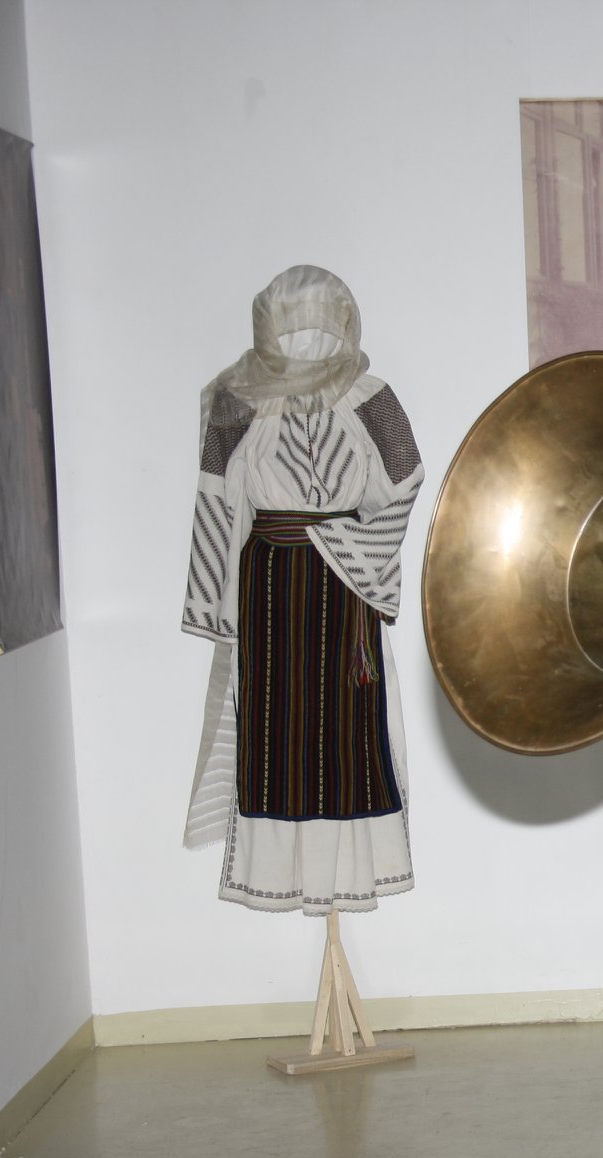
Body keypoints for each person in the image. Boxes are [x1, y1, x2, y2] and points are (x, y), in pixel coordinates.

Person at [181, 266, 422, 914]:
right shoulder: (236, 399)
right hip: (271, 590)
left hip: (343, 588)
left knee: (350, 730)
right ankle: (284, 867)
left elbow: (406, 479)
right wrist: (211, 599)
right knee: (275, 730)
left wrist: (359, 551)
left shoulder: (371, 397)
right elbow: (214, 497)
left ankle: (348, 870)